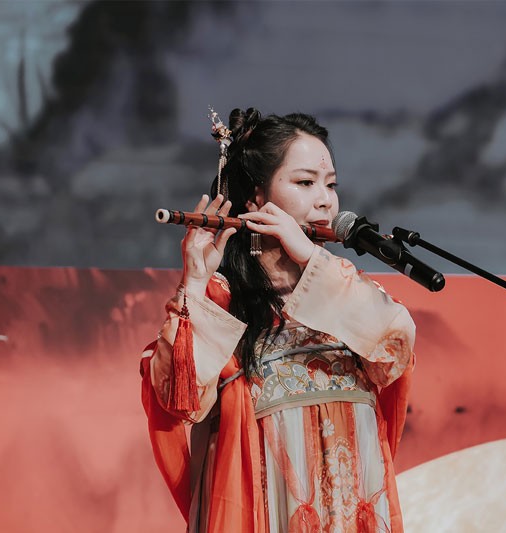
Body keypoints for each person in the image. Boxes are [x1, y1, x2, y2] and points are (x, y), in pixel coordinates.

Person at [140, 107, 415, 532]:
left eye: (330, 185)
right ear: (255, 199)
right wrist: (194, 283)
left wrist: (310, 259)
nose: (325, 200)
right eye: (305, 183)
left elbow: (396, 348)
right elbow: (178, 400)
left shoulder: (344, 291)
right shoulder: (221, 299)